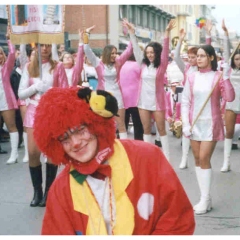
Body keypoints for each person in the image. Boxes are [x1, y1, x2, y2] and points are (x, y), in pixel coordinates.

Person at [33, 86, 195, 235]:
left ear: (94, 122)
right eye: (65, 138)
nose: (75, 142)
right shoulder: (61, 190)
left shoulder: (147, 157)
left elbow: (177, 218)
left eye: (80, 130)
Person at [181, 44, 235, 215]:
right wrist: (185, 124)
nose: (199, 58)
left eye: (203, 56)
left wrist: (226, 77)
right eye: (197, 56)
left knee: (204, 158)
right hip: (194, 124)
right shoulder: (191, 77)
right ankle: (206, 198)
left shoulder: (218, 76)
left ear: (211, 58)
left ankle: (205, 199)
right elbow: (185, 102)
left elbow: (229, 97)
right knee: (197, 159)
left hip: (211, 124)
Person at [18, 43, 69, 207]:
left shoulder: (58, 67)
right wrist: (35, 87)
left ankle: (49, 191)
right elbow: (20, 93)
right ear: (35, 49)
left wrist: (50, 91)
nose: (44, 49)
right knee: (33, 153)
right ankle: (37, 191)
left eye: (47, 46)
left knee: (52, 153)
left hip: (52, 110)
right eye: (40, 46)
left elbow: (65, 91)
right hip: (33, 111)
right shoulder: (29, 67)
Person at [122, 19, 176, 161]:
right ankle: (148, 157)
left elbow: (165, 51)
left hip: (157, 102)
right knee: (146, 130)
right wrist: (132, 33)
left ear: (157, 53)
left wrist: (167, 33)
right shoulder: (143, 64)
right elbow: (135, 48)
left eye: (152, 52)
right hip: (143, 102)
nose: (149, 55)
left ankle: (167, 158)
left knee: (161, 130)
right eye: (148, 52)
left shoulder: (162, 66)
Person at [82, 25, 133, 139]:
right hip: (102, 97)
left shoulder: (119, 62)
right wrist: (87, 34)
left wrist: (131, 33)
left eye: (116, 53)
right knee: (103, 126)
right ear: (107, 53)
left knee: (121, 125)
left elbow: (129, 50)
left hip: (117, 96)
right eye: (112, 53)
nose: (115, 55)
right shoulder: (98, 63)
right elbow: (87, 50)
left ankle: (123, 151)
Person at [174, 23, 212, 169]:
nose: (191, 59)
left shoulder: (205, 71)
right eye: (189, 57)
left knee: (197, 135)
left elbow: (209, 51)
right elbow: (176, 57)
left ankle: (199, 159)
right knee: (186, 130)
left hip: (200, 104)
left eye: (194, 57)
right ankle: (184, 158)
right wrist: (181, 40)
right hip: (187, 102)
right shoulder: (186, 69)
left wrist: (208, 34)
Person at [220, 19, 240, 172]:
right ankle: (226, 162)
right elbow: (228, 51)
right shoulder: (229, 69)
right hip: (231, 105)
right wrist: (226, 34)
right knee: (229, 132)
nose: (239, 61)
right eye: (237, 58)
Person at [0, 28, 19, 165]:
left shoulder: (6, 67)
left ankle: (14, 153)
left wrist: (9, 39)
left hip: (6, 100)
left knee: (11, 126)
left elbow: (12, 53)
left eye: (0, 53)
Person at [119, 53, 143, 140]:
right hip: (135, 98)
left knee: (122, 124)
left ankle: (122, 144)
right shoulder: (139, 65)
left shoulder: (121, 65)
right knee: (138, 125)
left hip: (122, 97)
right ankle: (139, 143)